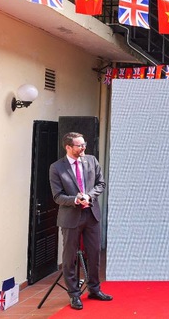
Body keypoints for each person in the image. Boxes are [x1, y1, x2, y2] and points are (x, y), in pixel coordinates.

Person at [49, 132, 113, 310]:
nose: (84, 147)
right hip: (71, 217)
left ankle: (94, 289)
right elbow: (57, 196)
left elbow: (101, 183)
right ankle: (74, 294)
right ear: (68, 147)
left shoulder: (91, 160)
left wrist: (89, 196)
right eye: (80, 145)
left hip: (91, 215)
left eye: (84, 144)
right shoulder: (56, 167)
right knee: (69, 258)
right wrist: (75, 200)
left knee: (94, 254)